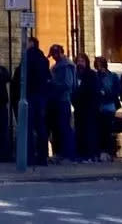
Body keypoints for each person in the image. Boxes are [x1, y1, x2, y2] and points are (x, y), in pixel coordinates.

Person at [24, 37, 51, 166]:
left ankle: (29, 156)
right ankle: (43, 157)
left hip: (30, 96)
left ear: (31, 44)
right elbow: (47, 78)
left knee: (28, 127)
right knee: (41, 127)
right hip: (41, 97)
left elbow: (24, 76)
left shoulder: (28, 57)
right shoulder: (44, 59)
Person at [47, 44, 76, 163]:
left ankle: (67, 155)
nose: (53, 57)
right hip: (56, 101)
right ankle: (59, 154)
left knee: (64, 128)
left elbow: (68, 84)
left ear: (60, 53)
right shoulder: (58, 66)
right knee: (57, 128)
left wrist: (52, 83)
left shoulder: (66, 66)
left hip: (63, 101)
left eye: (55, 54)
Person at [72, 53, 99, 162]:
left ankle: (90, 154)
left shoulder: (91, 74)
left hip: (89, 108)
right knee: (79, 130)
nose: (80, 64)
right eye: (78, 61)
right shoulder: (75, 75)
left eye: (82, 61)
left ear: (86, 62)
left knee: (89, 131)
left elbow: (93, 91)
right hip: (78, 108)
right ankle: (81, 153)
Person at [95, 56, 121, 162]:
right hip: (98, 106)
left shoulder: (112, 76)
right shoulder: (96, 76)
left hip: (109, 106)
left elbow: (116, 91)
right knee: (100, 130)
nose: (99, 67)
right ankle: (101, 152)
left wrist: (106, 94)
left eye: (100, 64)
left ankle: (108, 152)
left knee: (108, 130)